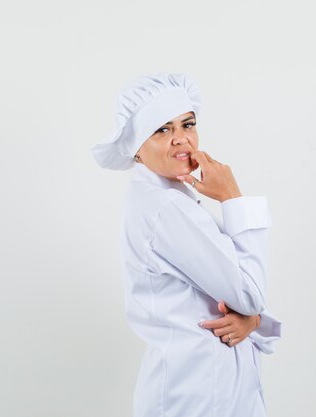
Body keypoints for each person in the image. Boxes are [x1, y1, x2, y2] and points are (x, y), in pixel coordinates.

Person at [91, 72, 282, 417]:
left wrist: (252, 321)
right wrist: (232, 197)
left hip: (210, 390)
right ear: (136, 148)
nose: (181, 140)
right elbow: (250, 293)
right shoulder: (165, 208)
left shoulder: (168, 199)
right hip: (197, 396)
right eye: (162, 129)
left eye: (187, 124)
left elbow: (238, 293)